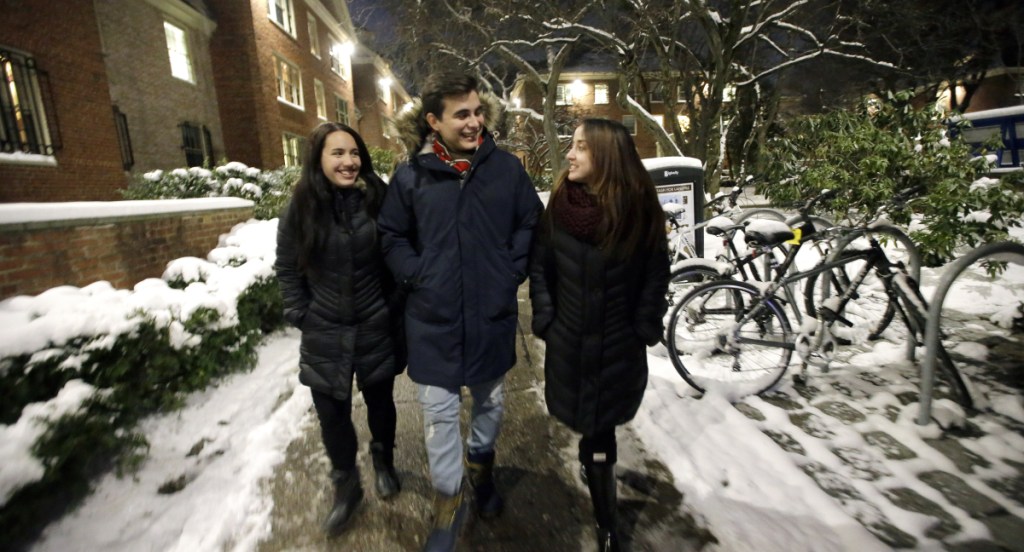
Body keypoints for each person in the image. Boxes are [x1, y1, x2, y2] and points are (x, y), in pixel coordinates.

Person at [377, 71, 542, 552]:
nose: (473, 123)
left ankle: (481, 467)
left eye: (477, 112)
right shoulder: (411, 176)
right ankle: (449, 499)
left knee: (490, 403)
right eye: (461, 115)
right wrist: (417, 274)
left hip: (489, 312)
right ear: (434, 121)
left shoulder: (506, 170)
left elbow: (529, 220)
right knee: (438, 413)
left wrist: (509, 270)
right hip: (433, 318)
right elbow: (391, 235)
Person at [528, 118, 671, 552]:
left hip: (618, 346)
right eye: (572, 146)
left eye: (581, 147)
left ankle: (606, 522)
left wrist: (644, 324)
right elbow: (541, 269)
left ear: (607, 155)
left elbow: (655, 273)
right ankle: (599, 485)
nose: (570, 154)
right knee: (589, 426)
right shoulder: (559, 206)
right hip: (570, 342)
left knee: (601, 429)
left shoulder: (639, 210)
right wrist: (548, 318)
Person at [274, 122, 406, 537]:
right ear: (318, 159)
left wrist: (391, 307)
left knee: (381, 403)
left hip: (374, 322)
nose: (349, 162)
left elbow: (398, 254)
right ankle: (346, 485)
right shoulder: (302, 207)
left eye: (354, 153)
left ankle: (384, 460)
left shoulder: (379, 200)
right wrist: (301, 313)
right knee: (331, 413)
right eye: (337, 153)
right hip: (324, 329)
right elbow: (286, 267)